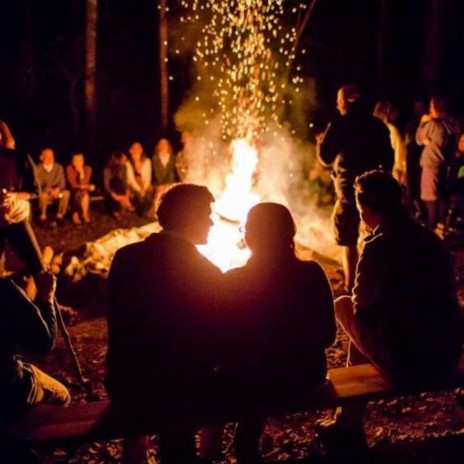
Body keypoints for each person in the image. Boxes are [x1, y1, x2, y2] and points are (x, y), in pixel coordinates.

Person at [317, 170, 463, 457]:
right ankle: (345, 421)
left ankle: (347, 422)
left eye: (361, 212)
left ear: (367, 210)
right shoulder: (431, 240)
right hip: (445, 351)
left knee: (344, 305)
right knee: (369, 320)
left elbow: (361, 305)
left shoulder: (377, 247)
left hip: (409, 360)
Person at [106, 183, 223, 464]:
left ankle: (137, 452)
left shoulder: (125, 257)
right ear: (190, 217)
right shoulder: (206, 272)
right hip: (177, 388)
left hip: (126, 382)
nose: (211, 221)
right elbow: (214, 343)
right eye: (207, 214)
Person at [217, 202, 336, 463]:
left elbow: (222, 344)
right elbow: (328, 336)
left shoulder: (233, 280)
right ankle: (244, 441)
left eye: (245, 229)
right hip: (307, 377)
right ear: (289, 234)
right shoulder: (312, 273)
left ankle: (234, 446)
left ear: (250, 236)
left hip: (253, 382)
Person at [316, 84, 393, 292]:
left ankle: (351, 285)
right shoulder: (377, 126)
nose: (337, 105)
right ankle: (378, 280)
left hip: (348, 188)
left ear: (344, 102)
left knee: (347, 235)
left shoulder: (339, 125)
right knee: (377, 232)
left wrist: (321, 141)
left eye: (339, 101)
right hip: (374, 188)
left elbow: (325, 158)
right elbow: (388, 158)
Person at [0, 120, 42, 276]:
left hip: (16, 218)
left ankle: (48, 299)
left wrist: (16, 196)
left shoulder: (20, 157)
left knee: (37, 266)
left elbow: (35, 190)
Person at [416, 96, 458, 233]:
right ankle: (440, 226)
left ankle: (431, 229)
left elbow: (418, 139)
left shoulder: (433, 125)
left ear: (435, 108)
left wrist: (423, 122)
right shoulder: (449, 124)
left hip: (431, 164)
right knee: (439, 196)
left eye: (431, 107)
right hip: (442, 164)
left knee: (431, 199)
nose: (429, 110)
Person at [373, 101, 407, 184]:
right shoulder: (391, 130)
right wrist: (400, 170)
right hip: (390, 171)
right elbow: (400, 153)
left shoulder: (374, 129)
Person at [36, 148, 70, 225]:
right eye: (47, 157)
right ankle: (43, 216)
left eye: (52, 157)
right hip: (46, 193)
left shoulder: (58, 168)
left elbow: (62, 183)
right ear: (41, 158)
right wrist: (49, 190)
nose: (50, 159)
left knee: (66, 194)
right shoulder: (38, 169)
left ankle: (60, 215)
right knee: (43, 196)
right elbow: (38, 184)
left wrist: (57, 190)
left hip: (58, 192)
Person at [103, 151, 134, 219]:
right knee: (115, 180)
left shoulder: (124, 167)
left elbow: (124, 182)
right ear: (117, 159)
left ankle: (123, 203)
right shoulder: (107, 169)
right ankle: (121, 206)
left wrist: (127, 191)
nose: (125, 159)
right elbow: (107, 186)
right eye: (123, 158)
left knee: (119, 182)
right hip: (110, 192)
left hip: (121, 190)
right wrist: (114, 195)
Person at [65, 152, 95, 224]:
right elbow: (73, 185)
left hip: (82, 192)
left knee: (83, 193)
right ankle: (79, 214)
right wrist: (88, 186)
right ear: (73, 162)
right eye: (76, 161)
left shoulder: (88, 169)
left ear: (83, 161)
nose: (78, 163)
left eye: (80, 160)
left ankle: (83, 214)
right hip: (72, 191)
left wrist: (81, 173)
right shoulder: (69, 168)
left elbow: (84, 183)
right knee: (82, 193)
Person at [126, 141, 153, 217]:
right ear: (131, 150)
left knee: (147, 197)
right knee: (139, 197)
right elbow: (131, 179)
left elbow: (148, 176)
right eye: (135, 148)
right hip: (134, 186)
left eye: (139, 147)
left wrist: (144, 188)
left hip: (145, 185)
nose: (137, 149)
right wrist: (139, 189)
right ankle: (141, 212)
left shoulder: (147, 161)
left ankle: (146, 212)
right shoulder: (128, 163)